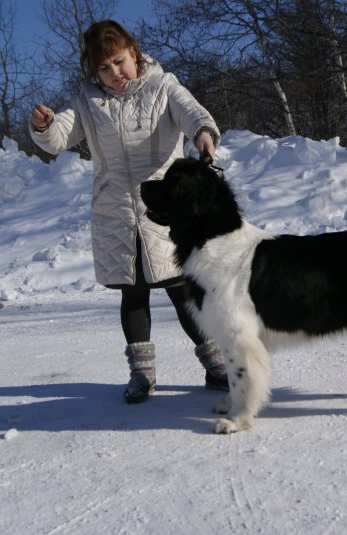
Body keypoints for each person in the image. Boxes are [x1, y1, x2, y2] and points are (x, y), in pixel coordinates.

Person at [28, 20, 227, 404]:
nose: (114, 73)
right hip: (114, 210)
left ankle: (217, 365)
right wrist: (46, 126)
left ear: (134, 52)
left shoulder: (163, 85)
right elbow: (60, 138)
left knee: (181, 289)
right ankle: (142, 375)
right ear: (93, 71)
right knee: (132, 294)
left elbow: (192, 113)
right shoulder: (87, 99)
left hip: (164, 207)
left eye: (119, 61)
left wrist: (203, 133)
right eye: (104, 68)